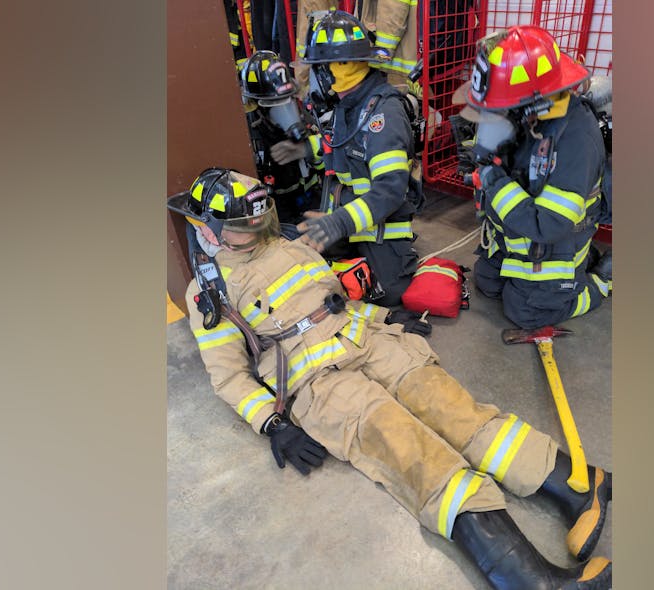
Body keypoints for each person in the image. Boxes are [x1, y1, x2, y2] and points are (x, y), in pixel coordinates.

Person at [169, 167, 613, 590]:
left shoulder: (287, 242)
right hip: (321, 384)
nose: (258, 225)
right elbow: (228, 375)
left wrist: (386, 315)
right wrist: (271, 422)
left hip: (370, 340)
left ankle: (579, 484)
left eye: (258, 216)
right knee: (414, 454)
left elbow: (334, 300)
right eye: (245, 222)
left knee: (455, 410)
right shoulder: (209, 289)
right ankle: (530, 580)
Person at [465, 25, 613, 330]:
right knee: (488, 284)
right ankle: (572, 273)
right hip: (518, 233)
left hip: (555, 234)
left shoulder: (576, 139)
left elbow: (548, 224)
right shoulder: (533, 116)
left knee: (527, 313)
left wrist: (493, 180)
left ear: (536, 101)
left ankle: (598, 282)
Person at [271, 10, 421, 307]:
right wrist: (308, 149)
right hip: (348, 214)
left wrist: (339, 223)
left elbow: (390, 191)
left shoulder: (383, 113)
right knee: (296, 250)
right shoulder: (350, 103)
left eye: (319, 68)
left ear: (336, 68)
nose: (316, 77)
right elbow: (346, 145)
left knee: (387, 292)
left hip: (381, 223)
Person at [238, 50, 321, 225]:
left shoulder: (303, 118)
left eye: (288, 100)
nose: (286, 110)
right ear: (254, 105)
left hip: (312, 198)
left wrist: (307, 149)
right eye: (274, 105)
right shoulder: (248, 133)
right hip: (275, 210)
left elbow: (331, 155)